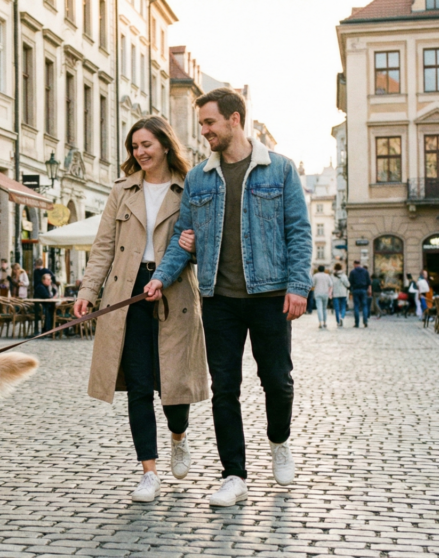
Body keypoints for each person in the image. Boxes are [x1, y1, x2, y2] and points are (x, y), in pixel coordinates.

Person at [144, 88, 311, 507]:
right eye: (202, 124)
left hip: (270, 294)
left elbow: (299, 232)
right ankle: (233, 474)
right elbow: (184, 241)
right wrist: (160, 279)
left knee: (277, 380)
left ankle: (279, 442)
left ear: (235, 120)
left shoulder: (281, 170)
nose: (203, 132)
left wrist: (297, 285)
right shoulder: (200, 177)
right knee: (224, 389)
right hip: (218, 297)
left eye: (209, 123)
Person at [73, 115, 209, 503]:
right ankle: (148, 471)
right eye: (134, 146)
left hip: (176, 292)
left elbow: (205, 244)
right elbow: (103, 246)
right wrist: (88, 290)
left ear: (166, 144)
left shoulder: (190, 187)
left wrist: (195, 246)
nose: (140, 152)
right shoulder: (123, 190)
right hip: (126, 292)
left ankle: (178, 437)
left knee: (175, 385)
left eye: (147, 144)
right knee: (137, 385)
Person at [348, 260, 371, 328]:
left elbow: (350, 282)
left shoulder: (352, 272)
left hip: (356, 290)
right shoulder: (365, 271)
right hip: (364, 290)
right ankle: (365, 321)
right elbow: (369, 282)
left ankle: (357, 323)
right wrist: (369, 290)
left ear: (354, 264)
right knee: (364, 306)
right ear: (359, 264)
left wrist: (351, 290)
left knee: (356, 306)